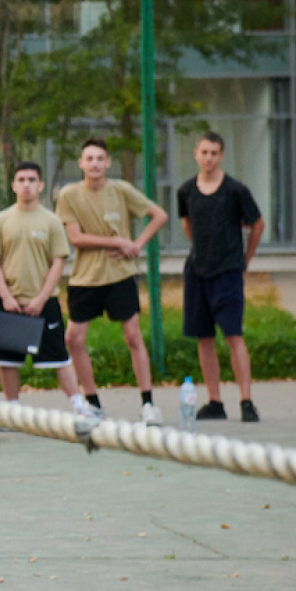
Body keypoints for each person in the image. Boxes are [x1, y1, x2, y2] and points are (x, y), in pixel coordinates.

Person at [57, 137, 170, 425]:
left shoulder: (121, 190)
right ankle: (92, 403)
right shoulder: (69, 195)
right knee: (73, 338)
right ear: (81, 163)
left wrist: (136, 244)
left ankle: (148, 403)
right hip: (85, 278)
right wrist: (115, 240)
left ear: (108, 162)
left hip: (120, 275)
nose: (94, 163)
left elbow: (159, 215)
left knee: (133, 336)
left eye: (100, 158)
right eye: (89, 159)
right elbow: (76, 238)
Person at [0, 162, 96, 416]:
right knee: (6, 360)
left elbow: (57, 263)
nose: (26, 185)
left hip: (44, 304)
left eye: (32, 180)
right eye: (21, 180)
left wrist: (41, 299)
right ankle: (13, 409)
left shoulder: (52, 222)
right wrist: (6, 296)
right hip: (9, 303)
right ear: (13, 185)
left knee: (59, 356)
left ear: (40, 185)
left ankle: (78, 405)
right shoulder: (0, 221)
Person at [177, 131, 264, 422]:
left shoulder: (236, 190)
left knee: (233, 335)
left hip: (227, 272)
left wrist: (244, 260)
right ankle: (215, 401)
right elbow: (188, 224)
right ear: (195, 154)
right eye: (204, 152)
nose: (209, 158)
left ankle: (246, 400)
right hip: (197, 272)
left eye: (214, 153)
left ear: (222, 155)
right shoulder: (186, 191)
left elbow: (257, 224)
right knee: (204, 337)